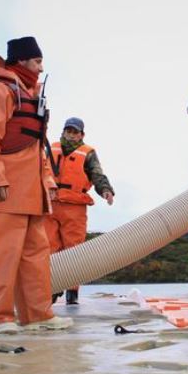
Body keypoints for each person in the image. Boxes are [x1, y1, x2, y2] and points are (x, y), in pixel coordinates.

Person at [0, 36, 73, 334]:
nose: (41, 68)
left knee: (35, 259)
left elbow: (36, 147)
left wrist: (47, 181)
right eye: (38, 61)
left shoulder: (30, 94)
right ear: (23, 61)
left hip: (31, 194)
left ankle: (37, 316)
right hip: (1, 193)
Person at [45, 117, 115, 305]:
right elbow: (37, 170)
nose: (71, 134)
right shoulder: (50, 148)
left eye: (75, 132)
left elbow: (97, 174)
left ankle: (72, 293)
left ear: (81, 135)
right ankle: (52, 289)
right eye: (68, 131)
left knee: (74, 251)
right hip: (49, 205)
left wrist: (106, 191)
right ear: (63, 131)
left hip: (74, 208)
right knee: (48, 249)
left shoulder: (88, 153)